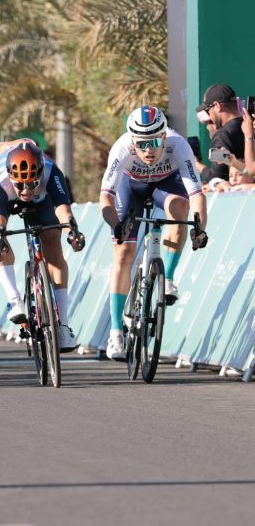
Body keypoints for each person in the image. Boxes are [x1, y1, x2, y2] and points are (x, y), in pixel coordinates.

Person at [99, 105, 208, 360]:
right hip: (131, 187)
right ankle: (116, 332)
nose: (148, 151)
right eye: (142, 144)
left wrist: (200, 228)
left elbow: (197, 196)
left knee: (180, 209)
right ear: (133, 141)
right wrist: (116, 225)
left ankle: (167, 278)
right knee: (123, 253)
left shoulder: (179, 146)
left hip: (165, 185)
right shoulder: (122, 148)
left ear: (164, 137)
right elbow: (105, 198)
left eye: (154, 143)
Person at [0, 139, 84, 353]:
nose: (25, 190)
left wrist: (73, 233)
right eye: (20, 185)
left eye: (31, 183)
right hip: (0, 193)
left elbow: (64, 212)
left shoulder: (51, 172)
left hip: (41, 198)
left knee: (52, 241)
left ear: (40, 173)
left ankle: (62, 326)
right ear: (11, 176)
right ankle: (14, 300)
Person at [196, 84, 244, 189]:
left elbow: (215, 178)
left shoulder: (222, 135)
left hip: (238, 196)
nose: (209, 115)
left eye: (207, 110)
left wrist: (196, 165)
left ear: (217, 106)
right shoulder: (250, 125)